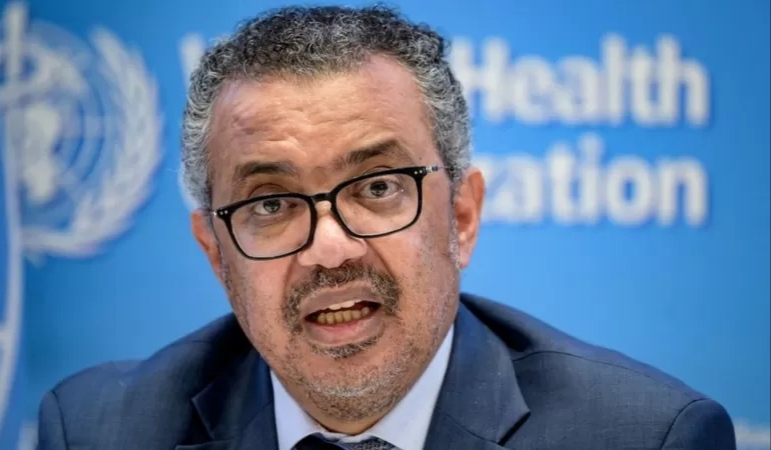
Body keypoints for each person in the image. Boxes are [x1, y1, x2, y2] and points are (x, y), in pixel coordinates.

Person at [37, 5, 736, 450]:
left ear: (461, 217)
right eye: (271, 204)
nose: (329, 248)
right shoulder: (100, 430)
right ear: (217, 256)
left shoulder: (643, 435)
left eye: (377, 187)